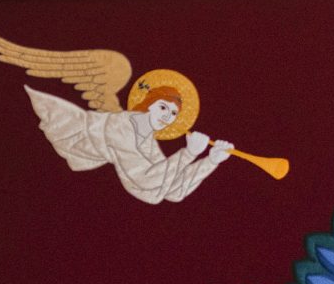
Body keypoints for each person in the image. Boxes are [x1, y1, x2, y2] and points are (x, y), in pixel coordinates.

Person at [25, 83, 236, 205]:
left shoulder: (147, 138)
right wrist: (188, 154)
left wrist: (210, 161)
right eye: (163, 107)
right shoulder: (120, 127)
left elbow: (170, 191)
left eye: (173, 114)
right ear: (148, 104)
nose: (167, 117)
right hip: (69, 135)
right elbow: (144, 183)